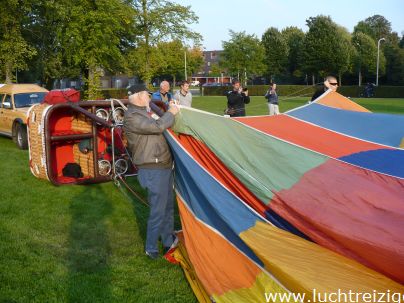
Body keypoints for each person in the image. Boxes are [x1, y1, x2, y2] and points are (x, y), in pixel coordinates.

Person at [123, 89, 180, 260]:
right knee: (158, 210)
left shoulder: (142, 112)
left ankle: (168, 241)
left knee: (168, 207)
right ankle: (151, 247)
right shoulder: (133, 116)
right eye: (147, 95)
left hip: (161, 165)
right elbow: (157, 127)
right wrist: (171, 112)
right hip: (153, 168)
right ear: (140, 96)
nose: (149, 97)